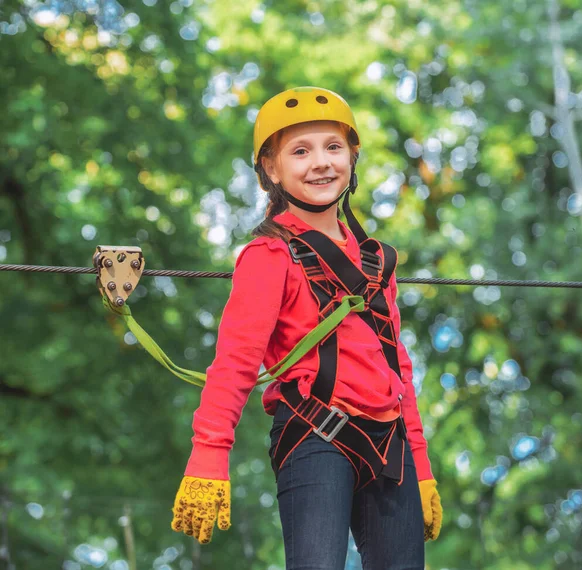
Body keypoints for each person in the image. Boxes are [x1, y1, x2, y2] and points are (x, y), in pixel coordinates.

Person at [171, 86, 443, 569]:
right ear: (271, 170)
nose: (321, 162)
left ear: (352, 158)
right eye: (301, 151)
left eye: (333, 147)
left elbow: (396, 364)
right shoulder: (269, 255)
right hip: (315, 435)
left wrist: (420, 464)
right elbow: (234, 362)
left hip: (390, 444)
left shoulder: (377, 261)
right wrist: (208, 457)